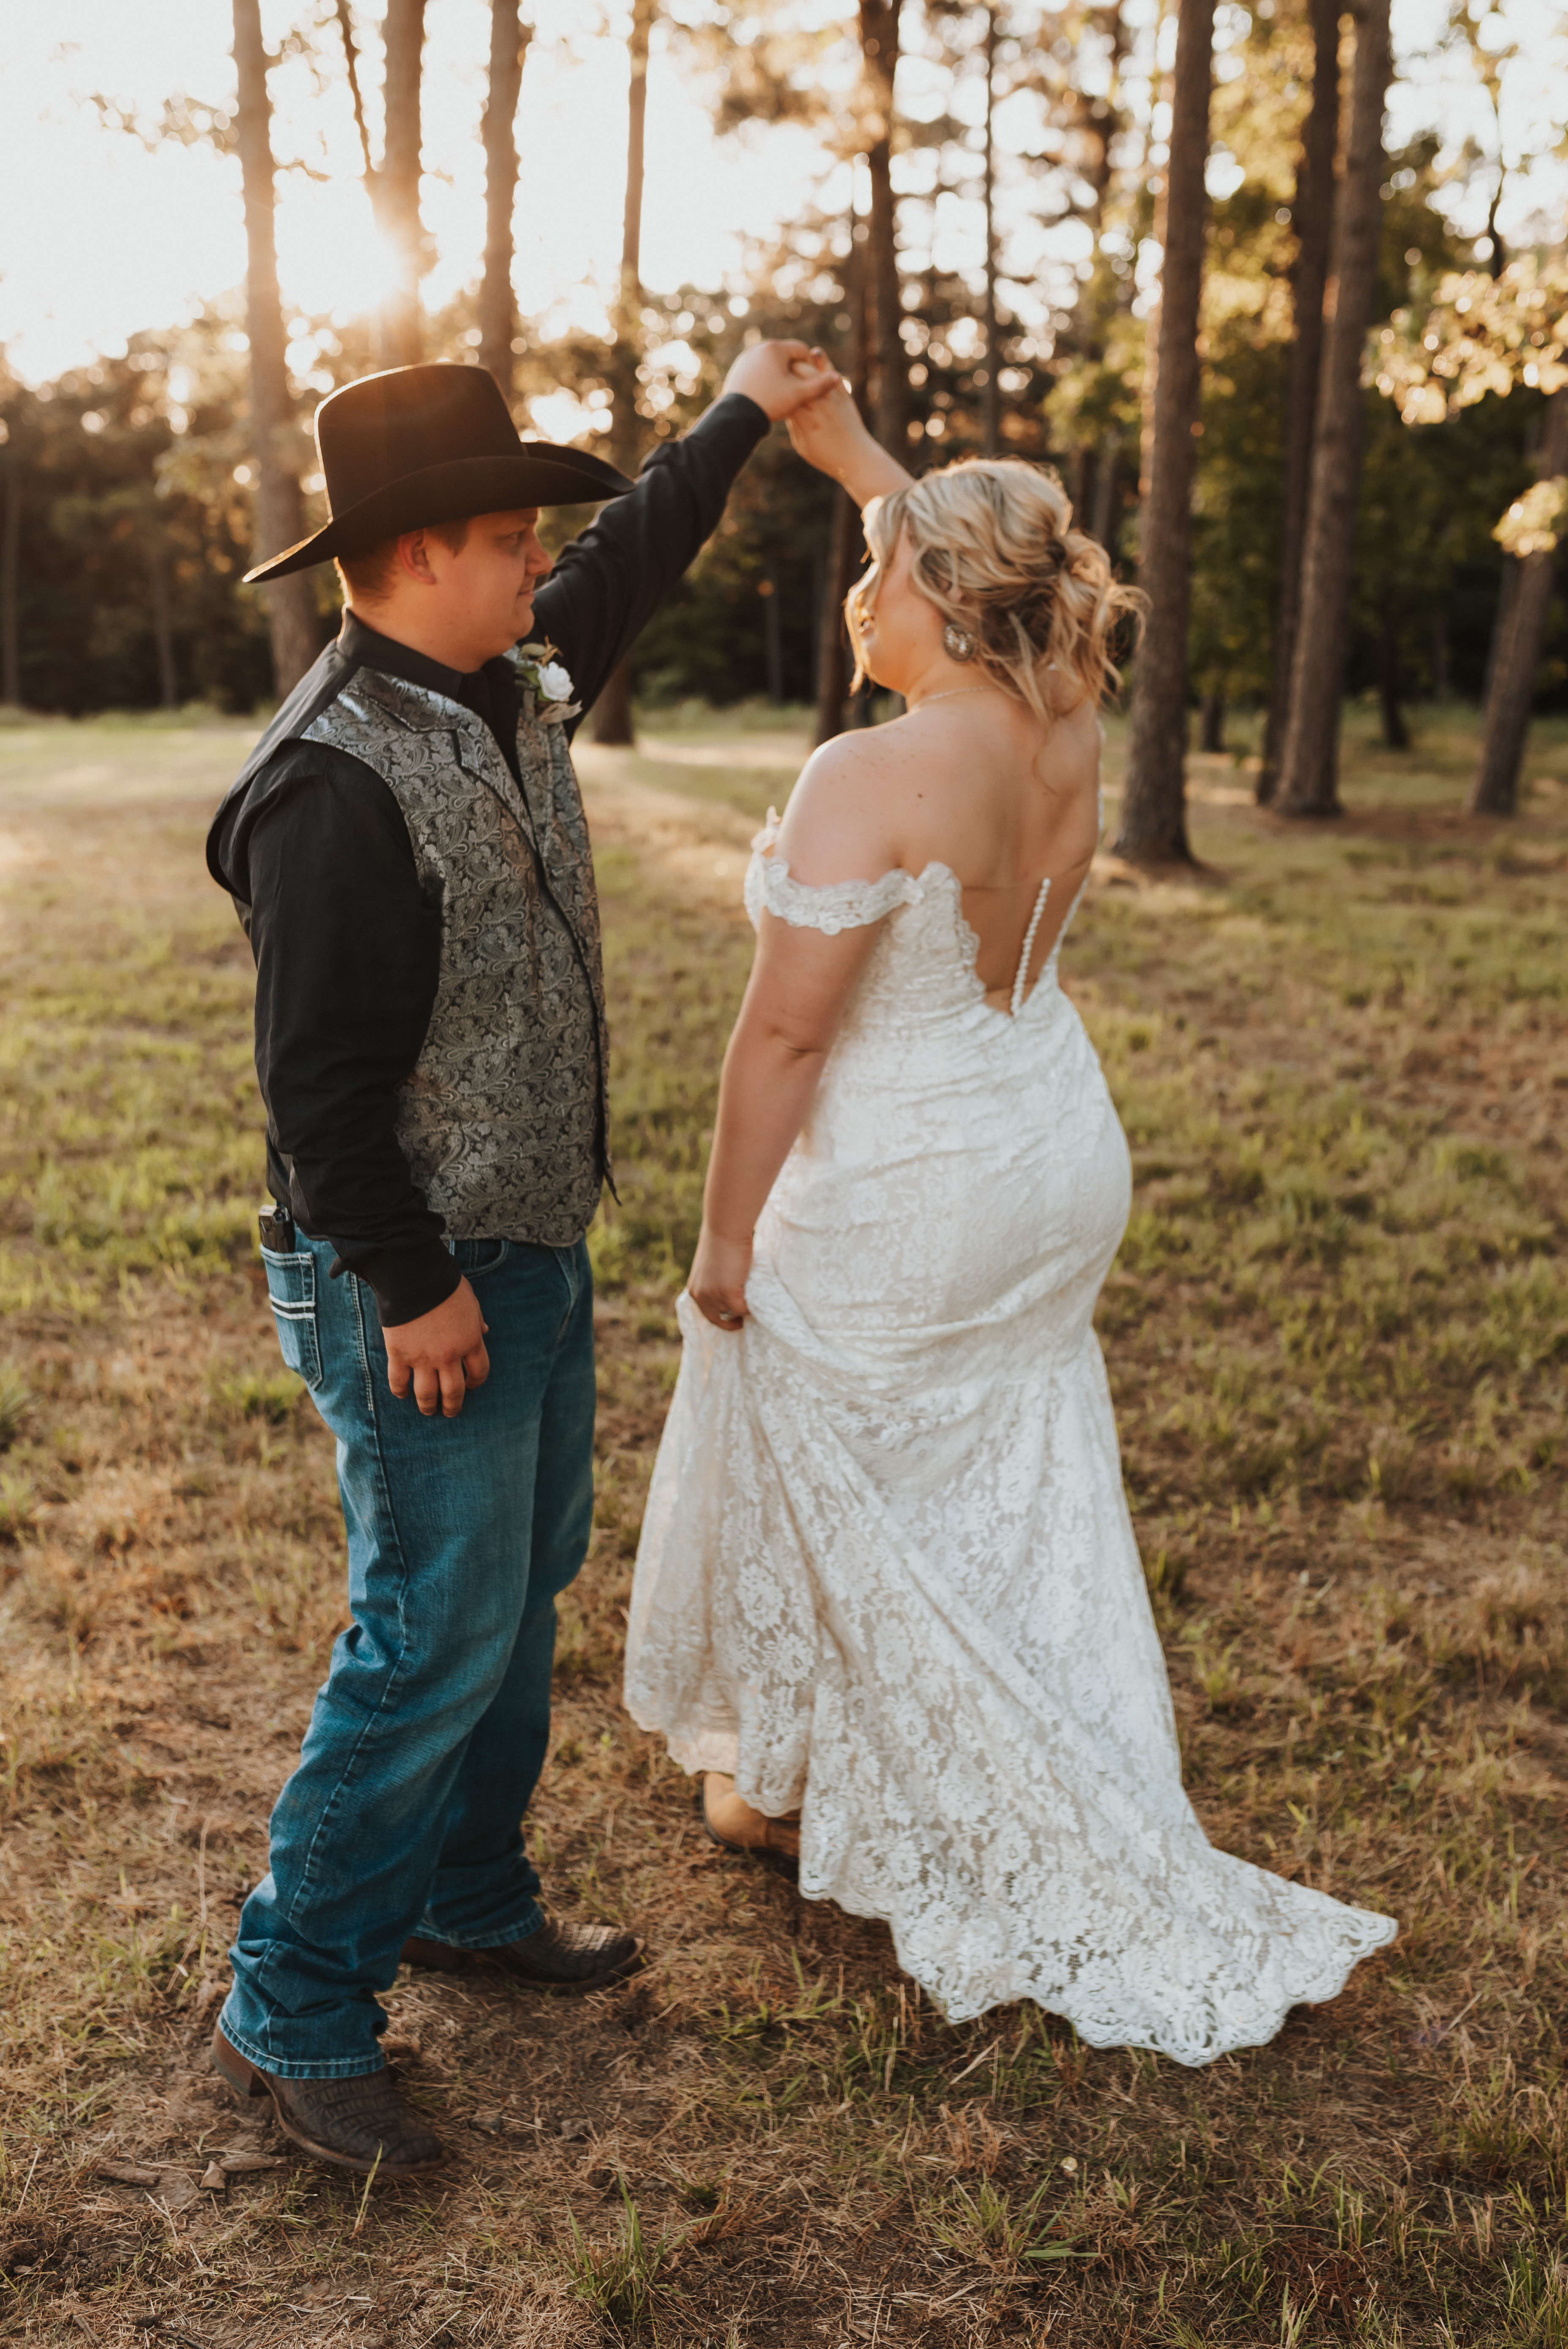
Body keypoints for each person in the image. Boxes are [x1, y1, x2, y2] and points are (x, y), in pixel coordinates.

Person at [623, 379, 1397, 2065]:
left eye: (879, 566)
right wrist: (853, 464)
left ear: (948, 601)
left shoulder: (870, 769)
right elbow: (971, 563)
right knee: (985, 1455)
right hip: (1047, 1141)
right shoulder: (1061, 727)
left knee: (809, 1414)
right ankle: (881, 1741)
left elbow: (783, 1035)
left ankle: (799, 1780)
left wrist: (725, 1241)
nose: (856, 584)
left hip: (914, 1176)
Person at [205, 346, 837, 2176]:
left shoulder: (506, 672)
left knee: (519, 1582)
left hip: (532, 1244)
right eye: (506, 541)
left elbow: (629, 559)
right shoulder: (331, 780)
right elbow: (317, 1092)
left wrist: (729, 416)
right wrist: (412, 1288)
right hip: (412, 1274)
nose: (538, 569)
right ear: (409, 557)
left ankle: (469, 1892)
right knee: (427, 1627)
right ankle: (296, 1993)